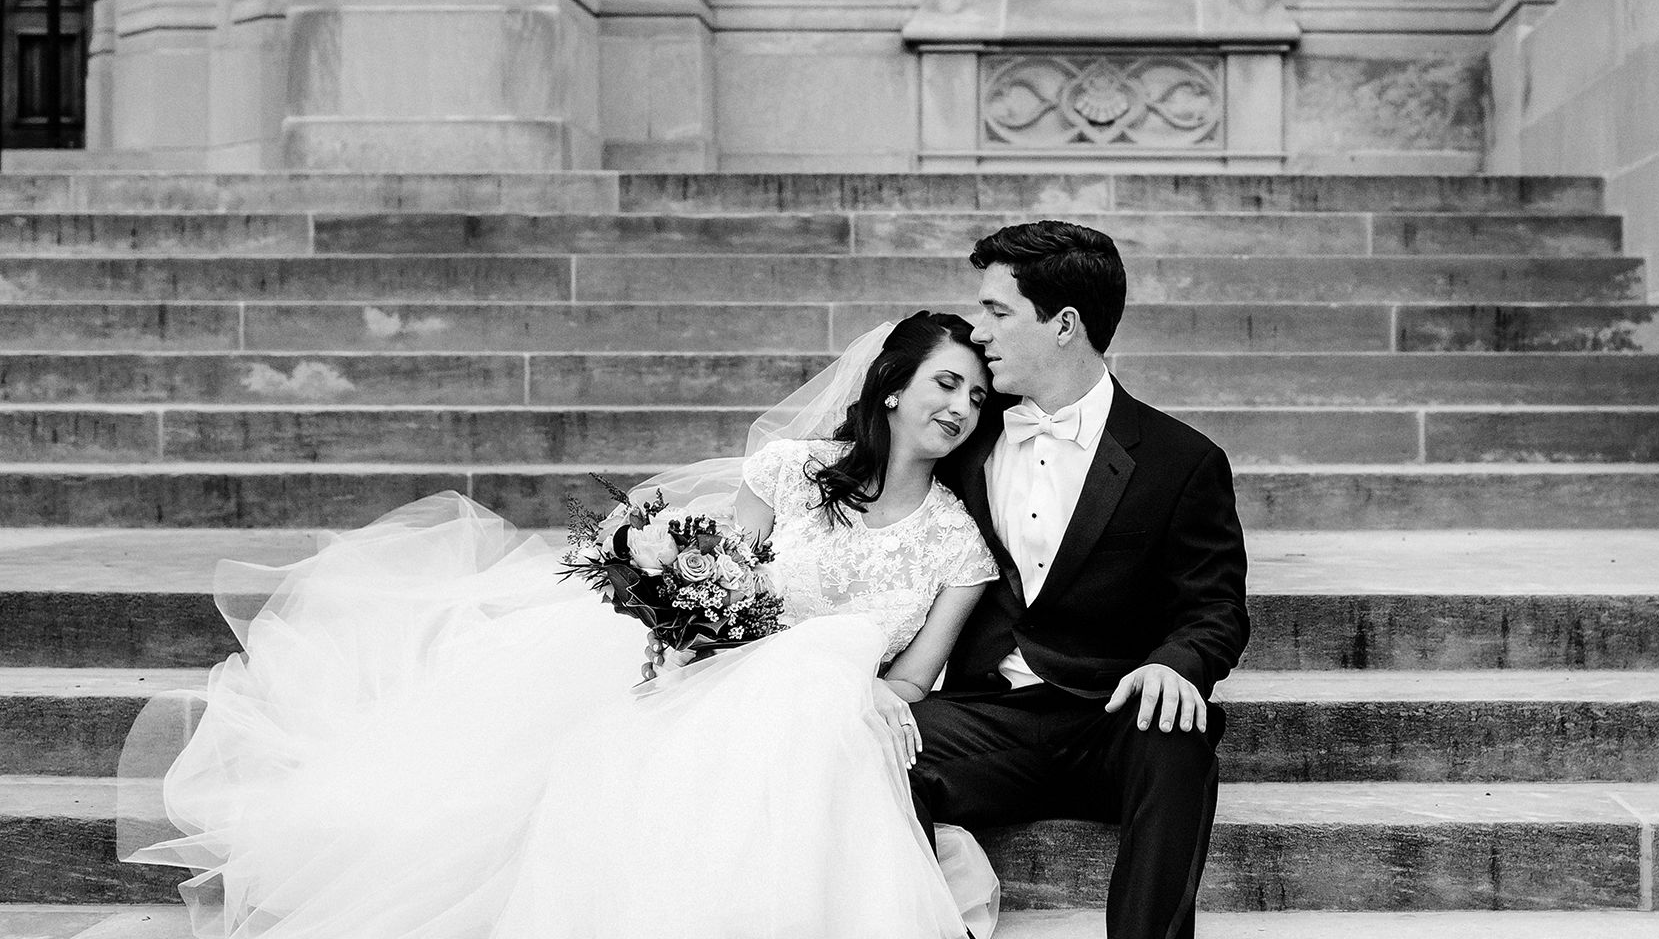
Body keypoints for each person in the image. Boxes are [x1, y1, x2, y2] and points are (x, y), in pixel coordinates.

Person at [119, 312, 1011, 939]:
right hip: (715, 670)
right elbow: (724, 581)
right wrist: (695, 642)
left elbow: (912, 676)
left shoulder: (957, 542)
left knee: (806, 707)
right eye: (946, 382)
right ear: (890, 387)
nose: (960, 407)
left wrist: (856, 688)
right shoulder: (790, 471)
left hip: (833, 709)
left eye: (976, 397)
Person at [910, 221, 1250, 939]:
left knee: (1179, 741)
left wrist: (1175, 665)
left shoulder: (1181, 460)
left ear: (1064, 325)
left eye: (997, 311)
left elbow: (1215, 607)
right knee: (877, 746)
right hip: (986, 719)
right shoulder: (964, 434)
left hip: (1111, 717)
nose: (978, 332)